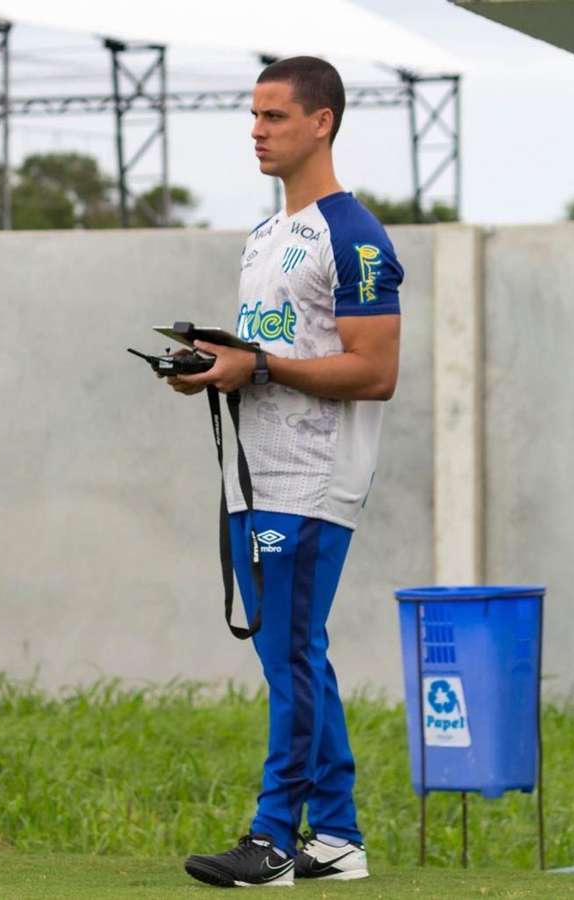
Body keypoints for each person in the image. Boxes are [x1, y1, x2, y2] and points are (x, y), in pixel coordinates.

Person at [166, 55, 403, 888]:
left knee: (293, 654)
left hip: (312, 478)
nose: (257, 132)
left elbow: (375, 371)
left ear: (321, 122)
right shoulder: (267, 236)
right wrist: (216, 363)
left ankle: (271, 839)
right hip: (255, 474)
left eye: (273, 116)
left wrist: (256, 367)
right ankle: (335, 840)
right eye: (253, 117)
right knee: (293, 655)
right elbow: (272, 352)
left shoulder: (356, 234)